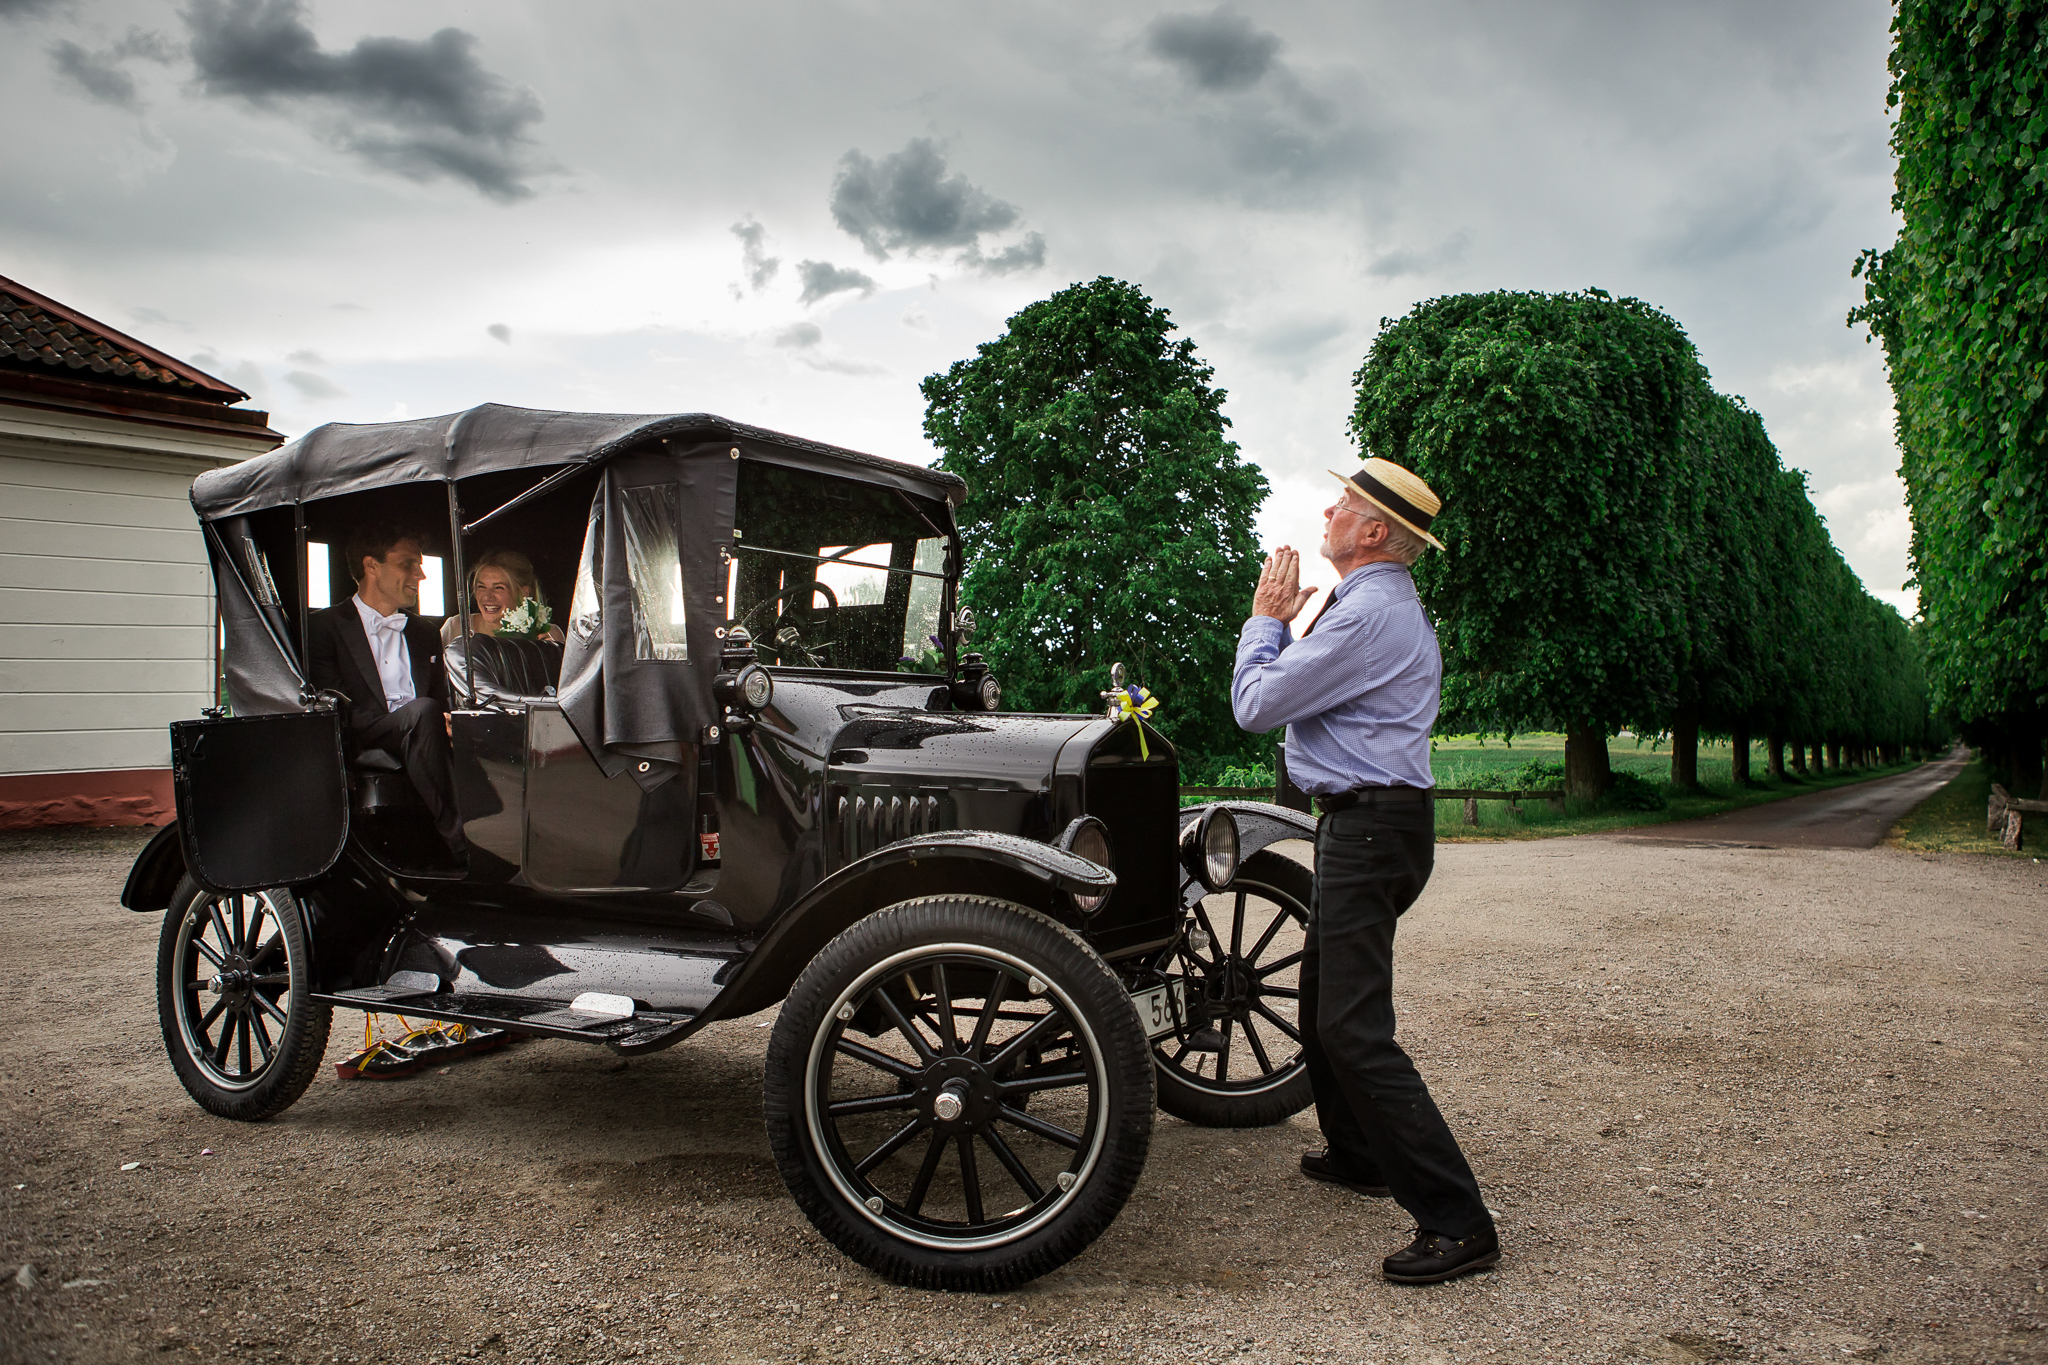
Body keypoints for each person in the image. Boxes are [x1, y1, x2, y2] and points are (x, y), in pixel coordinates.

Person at [1230, 458, 1499, 1286]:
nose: (1330, 509)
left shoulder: (1367, 617)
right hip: (1378, 824)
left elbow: (1254, 705)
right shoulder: (1372, 607)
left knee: (1353, 1027)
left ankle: (1458, 1220)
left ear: (1375, 531)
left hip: (1369, 829)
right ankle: (1357, 1152)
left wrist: (1264, 622)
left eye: (1344, 503)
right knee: (1319, 1001)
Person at [307, 524, 466, 865]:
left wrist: (454, 722)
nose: (420, 574)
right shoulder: (325, 628)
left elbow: (440, 700)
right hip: (364, 735)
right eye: (407, 563)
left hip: (424, 730)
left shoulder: (424, 632)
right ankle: (460, 841)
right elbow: (335, 706)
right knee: (422, 712)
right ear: (371, 566)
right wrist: (421, 718)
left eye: (420, 564)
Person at [440, 549, 566, 645]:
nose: (487, 597)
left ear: (524, 593)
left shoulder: (549, 634)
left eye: (498, 587)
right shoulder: (456, 627)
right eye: (481, 587)